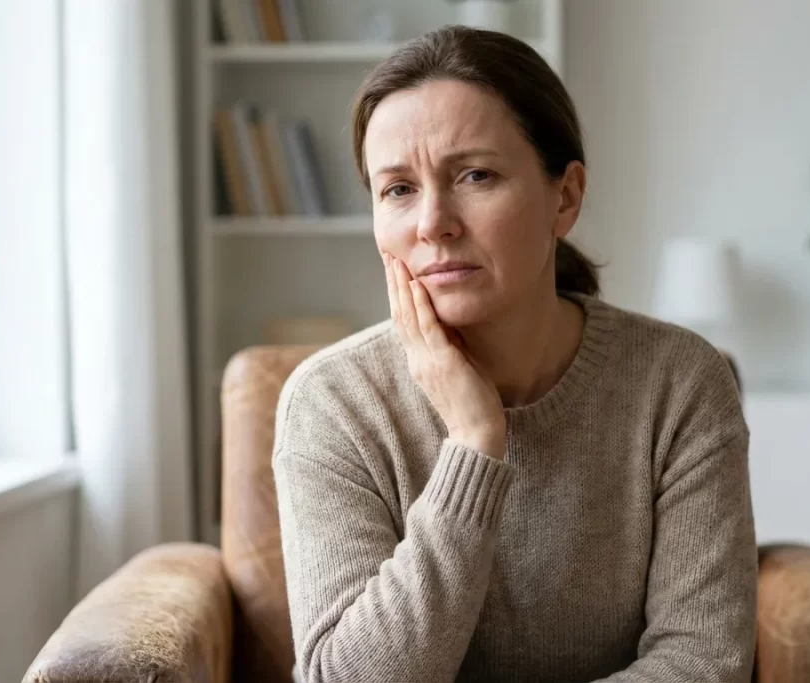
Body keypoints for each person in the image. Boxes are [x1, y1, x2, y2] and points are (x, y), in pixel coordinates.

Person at [272, 25, 756, 683]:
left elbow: (703, 660)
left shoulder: (676, 381)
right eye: (398, 189)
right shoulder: (332, 401)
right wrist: (473, 442)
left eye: (474, 174)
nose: (432, 222)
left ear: (565, 196)